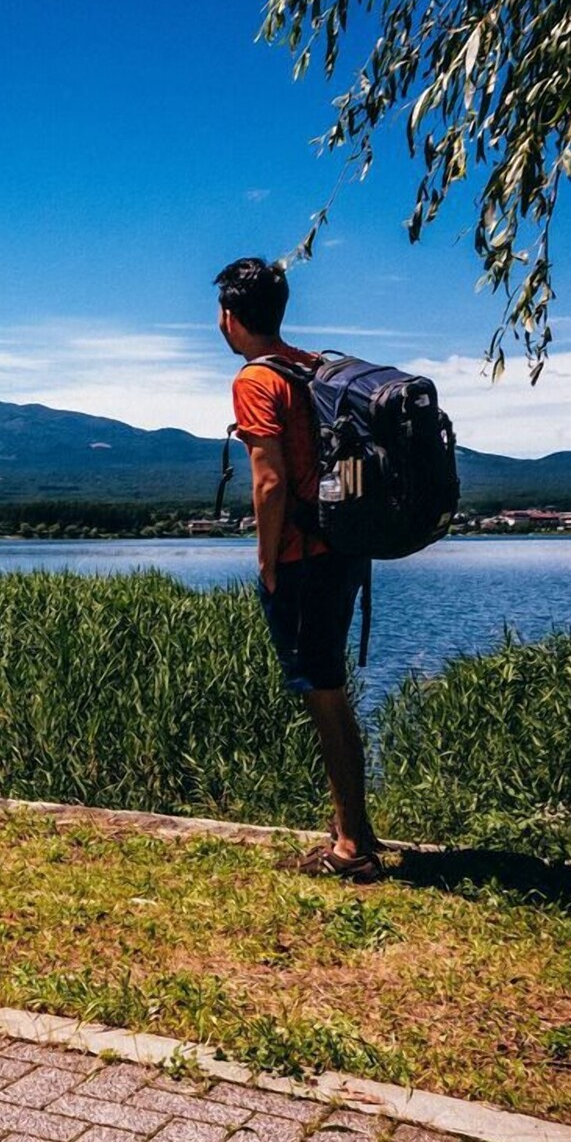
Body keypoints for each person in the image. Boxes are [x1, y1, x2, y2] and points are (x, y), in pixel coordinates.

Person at [215, 257, 383, 881]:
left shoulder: (257, 380)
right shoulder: (313, 366)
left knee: (323, 694)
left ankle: (353, 850)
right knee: (329, 687)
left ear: (229, 317)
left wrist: (266, 558)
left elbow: (269, 481)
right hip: (342, 549)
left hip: (302, 557)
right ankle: (353, 831)